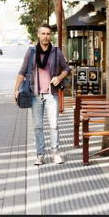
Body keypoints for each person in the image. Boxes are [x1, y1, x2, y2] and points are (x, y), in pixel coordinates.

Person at [14, 24, 71, 165]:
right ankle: (40, 154)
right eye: (43, 34)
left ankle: (55, 153)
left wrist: (59, 78)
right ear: (38, 35)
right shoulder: (31, 52)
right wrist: (16, 90)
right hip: (35, 95)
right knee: (38, 126)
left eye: (48, 34)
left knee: (54, 125)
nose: (46, 36)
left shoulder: (56, 52)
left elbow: (66, 69)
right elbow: (22, 71)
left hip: (51, 94)